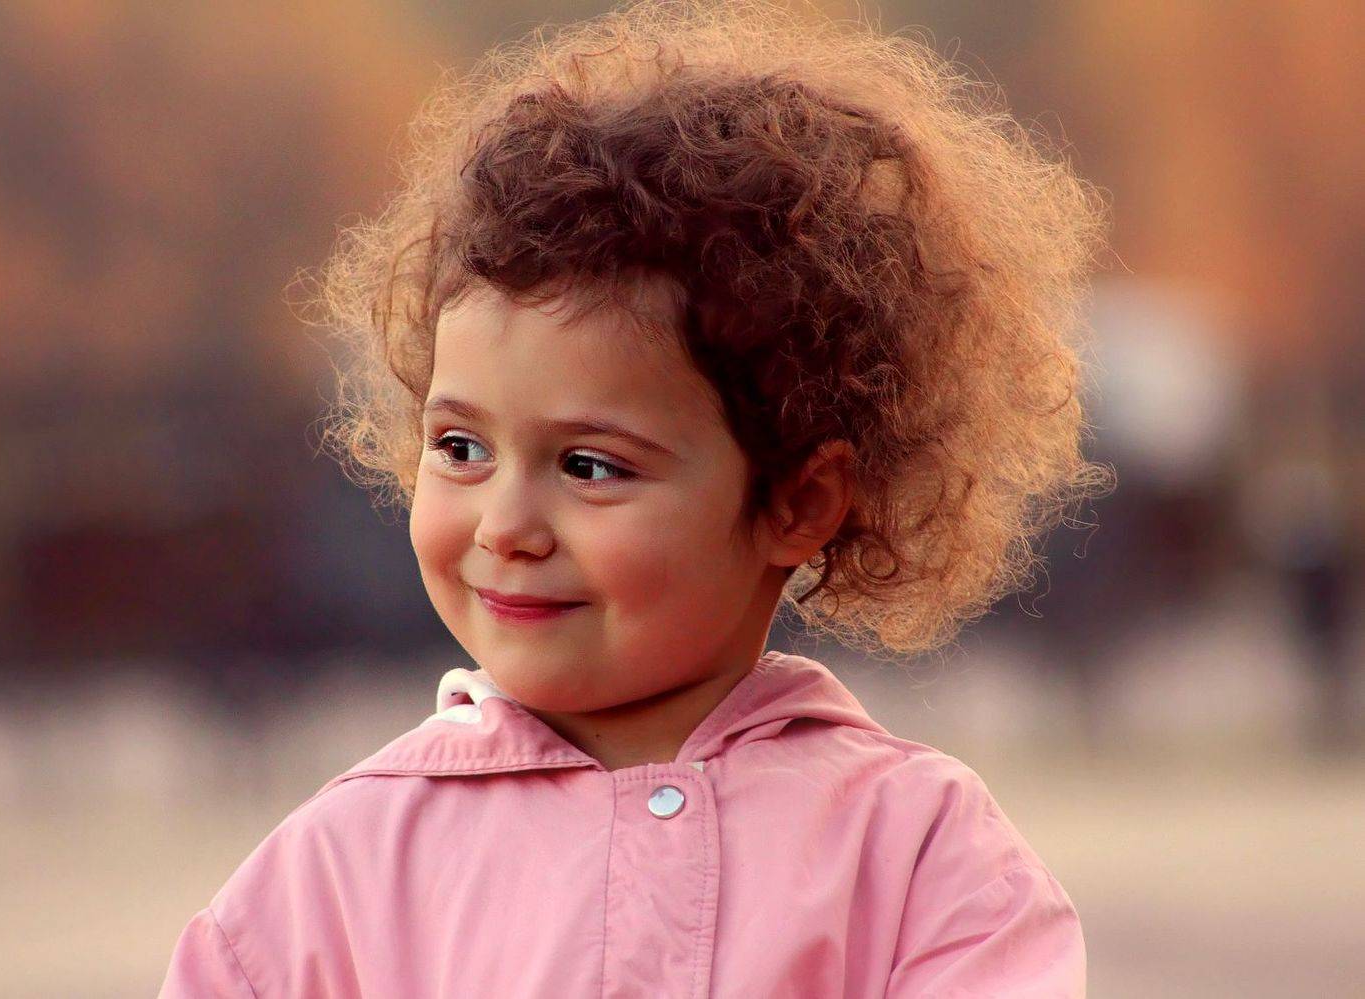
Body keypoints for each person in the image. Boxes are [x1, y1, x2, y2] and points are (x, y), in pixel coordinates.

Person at [159, 0, 1113, 994]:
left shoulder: (916, 858)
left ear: (797, 502)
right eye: (461, 448)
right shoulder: (334, 880)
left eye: (589, 466)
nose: (506, 527)